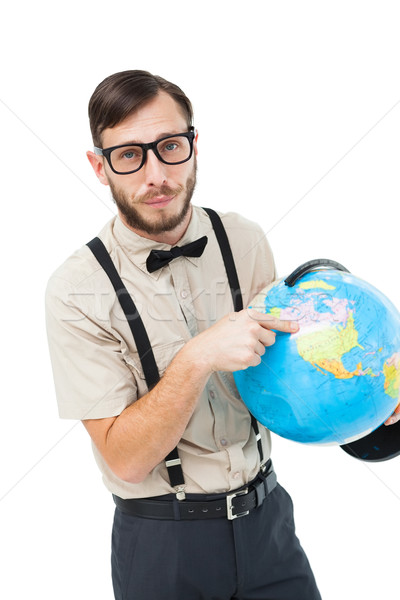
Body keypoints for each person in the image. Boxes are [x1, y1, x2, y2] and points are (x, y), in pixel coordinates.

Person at [45, 69, 324, 599]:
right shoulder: (74, 290)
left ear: (194, 146)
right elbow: (125, 460)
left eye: (170, 146)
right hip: (164, 547)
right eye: (129, 154)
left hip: (270, 525)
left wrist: (368, 402)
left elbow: (283, 382)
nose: (155, 174)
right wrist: (197, 358)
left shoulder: (243, 239)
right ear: (99, 167)